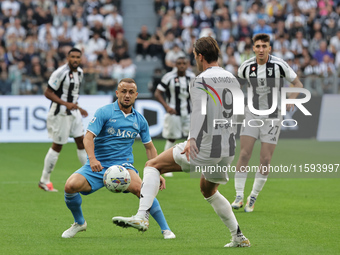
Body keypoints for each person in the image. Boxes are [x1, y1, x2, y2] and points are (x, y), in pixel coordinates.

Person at [112, 37, 251, 248]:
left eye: (195, 56)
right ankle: (238, 236)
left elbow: (198, 113)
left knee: (152, 165)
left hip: (203, 146)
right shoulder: (231, 78)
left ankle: (142, 215)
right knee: (208, 190)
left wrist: (191, 139)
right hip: (227, 148)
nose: (194, 59)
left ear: (200, 56)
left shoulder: (200, 80)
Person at [61, 78, 175, 240]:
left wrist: (158, 172)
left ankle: (166, 230)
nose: (127, 95)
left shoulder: (140, 120)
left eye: (130, 92)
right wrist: (92, 159)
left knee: (143, 191)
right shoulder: (104, 112)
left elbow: (149, 147)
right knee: (70, 186)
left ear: (136, 95)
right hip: (98, 165)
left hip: (124, 166)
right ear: (117, 93)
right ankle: (79, 223)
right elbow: (88, 137)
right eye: (123, 91)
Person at [231, 33, 303, 212]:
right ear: (253, 49)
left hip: (272, 117)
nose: (261, 49)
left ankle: (252, 197)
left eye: (264, 46)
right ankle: (239, 196)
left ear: (269, 48)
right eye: (258, 46)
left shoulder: (279, 65)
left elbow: (298, 84)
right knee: (244, 154)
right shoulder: (246, 67)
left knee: (265, 159)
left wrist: (290, 100)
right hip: (252, 115)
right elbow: (236, 88)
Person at [39, 48, 88, 192]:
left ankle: (90, 176)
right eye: (72, 56)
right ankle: (44, 180)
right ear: (67, 58)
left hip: (74, 112)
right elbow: (47, 92)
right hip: (60, 113)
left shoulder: (80, 72)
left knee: (81, 141)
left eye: (77, 57)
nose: (75, 59)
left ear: (80, 59)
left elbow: (73, 95)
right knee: (58, 145)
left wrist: (79, 108)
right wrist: (66, 104)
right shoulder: (60, 73)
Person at [154, 57, 195, 177]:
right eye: (179, 63)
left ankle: (196, 163)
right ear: (175, 65)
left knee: (196, 138)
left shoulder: (192, 77)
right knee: (171, 138)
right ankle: (166, 166)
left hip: (189, 112)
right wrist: (166, 107)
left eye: (184, 63)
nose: (182, 65)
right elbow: (158, 93)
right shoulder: (168, 77)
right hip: (173, 112)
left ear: (187, 65)